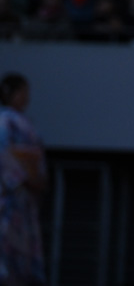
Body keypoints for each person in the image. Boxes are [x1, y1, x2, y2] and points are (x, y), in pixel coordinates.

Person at [1, 73, 46, 285]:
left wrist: (35, 179)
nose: (27, 97)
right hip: (9, 196)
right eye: (25, 92)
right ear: (15, 94)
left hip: (24, 199)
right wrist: (26, 179)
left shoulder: (24, 124)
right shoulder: (6, 122)